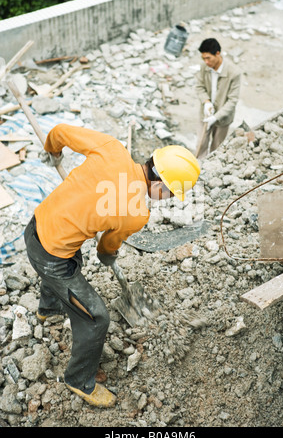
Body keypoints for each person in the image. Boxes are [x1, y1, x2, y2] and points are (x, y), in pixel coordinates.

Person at [24, 123, 200, 408]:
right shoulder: (137, 213)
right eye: (169, 194)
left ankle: (48, 310)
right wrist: (108, 256)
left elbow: (58, 132)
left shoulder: (112, 149)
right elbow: (107, 246)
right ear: (160, 185)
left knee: (73, 260)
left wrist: (52, 152)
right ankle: (79, 380)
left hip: (36, 225)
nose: (166, 200)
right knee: (97, 318)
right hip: (50, 256)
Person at [195, 38, 241, 158]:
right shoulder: (204, 67)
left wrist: (216, 117)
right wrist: (206, 102)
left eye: (208, 58)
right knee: (200, 145)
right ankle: (198, 169)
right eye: (203, 58)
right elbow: (199, 87)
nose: (206, 62)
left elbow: (232, 100)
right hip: (206, 114)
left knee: (217, 148)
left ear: (217, 54)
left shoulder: (234, 72)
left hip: (223, 119)